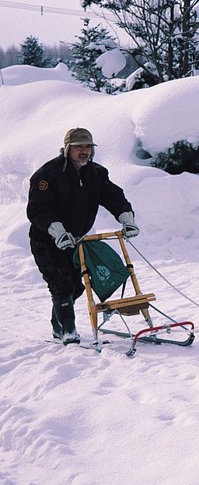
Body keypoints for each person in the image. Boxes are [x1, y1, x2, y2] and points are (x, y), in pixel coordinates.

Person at [27, 127, 140, 345]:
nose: (84, 151)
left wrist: (127, 219)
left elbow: (114, 197)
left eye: (88, 146)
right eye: (79, 147)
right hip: (47, 240)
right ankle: (68, 330)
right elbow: (39, 210)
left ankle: (58, 324)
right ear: (68, 148)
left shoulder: (96, 174)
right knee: (61, 284)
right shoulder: (47, 175)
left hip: (76, 240)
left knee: (77, 286)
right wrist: (57, 231)